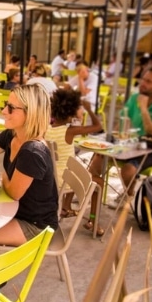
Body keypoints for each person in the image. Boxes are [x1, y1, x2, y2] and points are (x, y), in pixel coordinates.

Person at [86, 64, 152, 234]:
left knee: (128, 170)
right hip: (129, 145)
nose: (143, 83)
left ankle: (128, 195)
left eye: (148, 81)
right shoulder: (135, 97)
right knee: (98, 157)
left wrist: (143, 108)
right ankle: (91, 192)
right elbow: (123, 122)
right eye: (143, 79)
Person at [0, 85, 59, 247]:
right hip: (15, 211)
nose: (3, 111)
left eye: (11, 108)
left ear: (30, 113)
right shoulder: (13, 134)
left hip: (36, 225)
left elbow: (14, 193)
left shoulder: (32, 152)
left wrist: (5, 179)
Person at [46, 89, 102, 220]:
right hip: (64, 179)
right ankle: (93, 221)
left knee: (73, 166)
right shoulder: (69, 131)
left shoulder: (46, 127)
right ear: (71, 112)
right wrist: (88, 109)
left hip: (53, 175)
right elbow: (98, 126)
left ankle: (65, 208)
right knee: (98, 182)